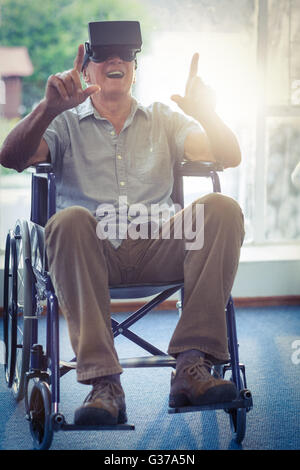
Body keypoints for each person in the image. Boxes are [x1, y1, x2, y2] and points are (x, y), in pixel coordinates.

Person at [0, 21, 245, 426]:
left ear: (135, 66)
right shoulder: (62, 123)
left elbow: (228, 156)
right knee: (68, 220)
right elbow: (9, 157)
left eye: (126, 54)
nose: (115, 60)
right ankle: (104, 384)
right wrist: (47, 109)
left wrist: (207, 113)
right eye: (104, 54)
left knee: (221, 207)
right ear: (87, 67)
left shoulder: (164, 118)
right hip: (90, 250)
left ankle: (191, 365)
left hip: (159, 246)